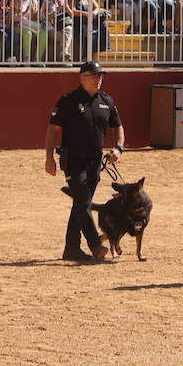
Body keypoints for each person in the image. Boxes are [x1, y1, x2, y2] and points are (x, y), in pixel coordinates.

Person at [43, 61, 123, 263]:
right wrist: (49, 157)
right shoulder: (68, 101)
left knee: (80, 204)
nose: (98, 79)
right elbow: (53, 130)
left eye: (100, 76)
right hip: (73, 160)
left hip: (95, 162)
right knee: (83, 201)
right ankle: (95, 245)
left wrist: (118, 148)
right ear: (82, 77)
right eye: (94, 75)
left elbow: (118, 127)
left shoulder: (107, 100)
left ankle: (71, 249)